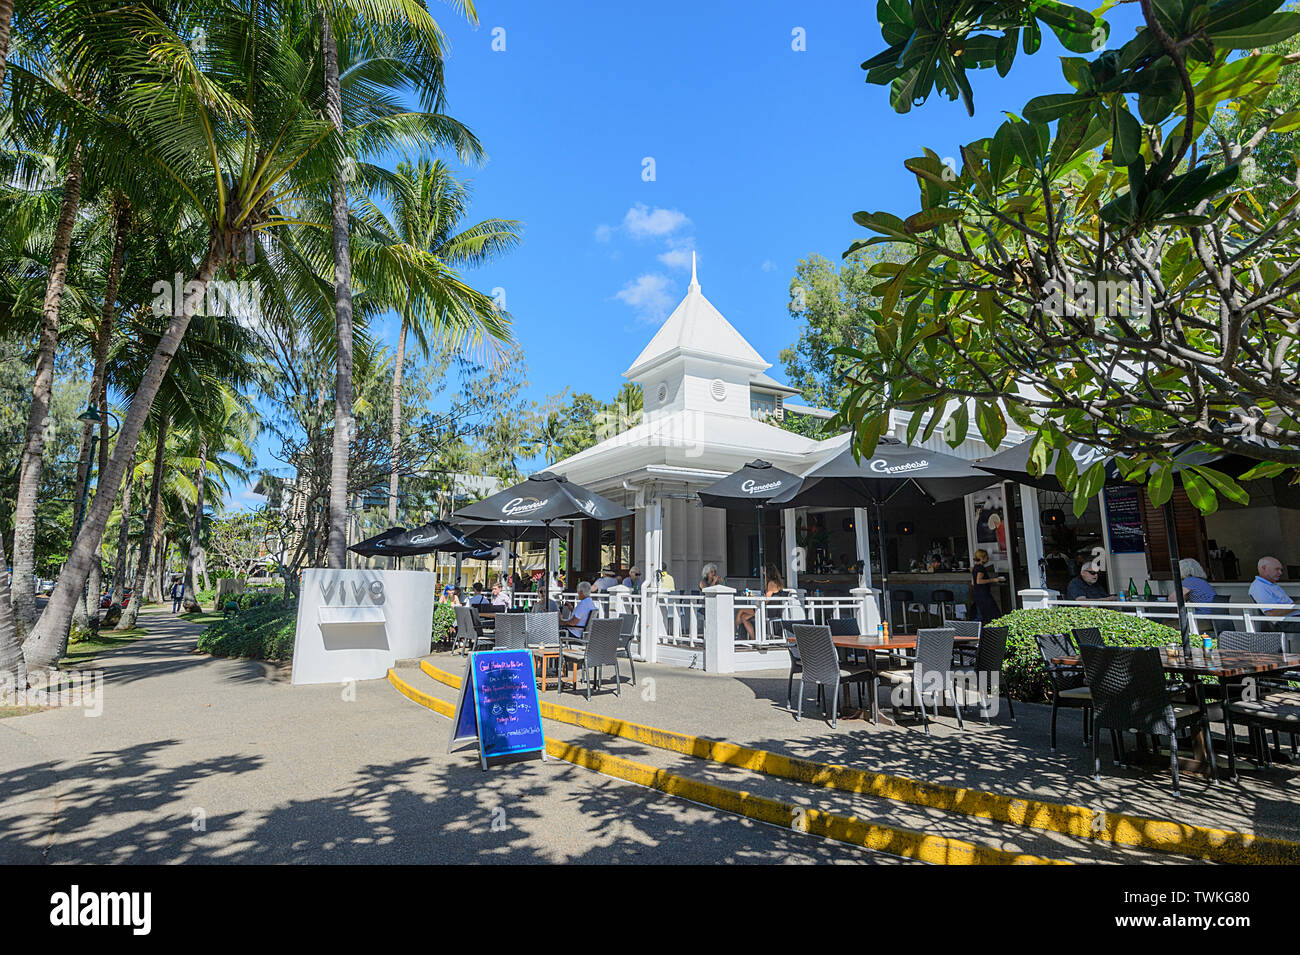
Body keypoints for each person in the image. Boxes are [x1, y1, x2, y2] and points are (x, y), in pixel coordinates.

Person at [736, 565, 784, 638]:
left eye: (764, 571)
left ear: (768, 573)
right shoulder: (777, 583)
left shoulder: (771, 583)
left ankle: (734, 632)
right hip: (772, 610)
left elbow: (766, 600)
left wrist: (754, 597)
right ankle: (753, 638)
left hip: (767, 611)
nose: (763, 573)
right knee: (744, 617)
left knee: (741, 611)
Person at [970, 548, 1004, 623]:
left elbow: (973, 582)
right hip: (984, 595)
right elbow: (979, 581)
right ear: (982, 558)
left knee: (981, 614)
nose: (988, 559)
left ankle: (975, 629)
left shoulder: (975, 567)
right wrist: (993, 580)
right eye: (986, 557)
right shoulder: (981, 568)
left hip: (977, 594)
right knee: (993, 614)